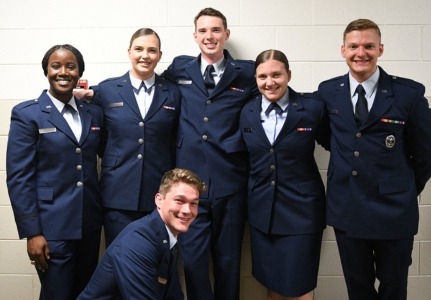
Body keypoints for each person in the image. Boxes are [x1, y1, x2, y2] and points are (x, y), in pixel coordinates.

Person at [317, 19, 431, 299]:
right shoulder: (327, 92)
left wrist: (404, 186)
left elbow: (428, 153)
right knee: (358, 289)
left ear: (380, 49)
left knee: (393, 289)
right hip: (347, 207)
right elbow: (328, 138)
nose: (361, 53)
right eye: (354, 46)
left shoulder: (408, 93)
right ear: (343, 50)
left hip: (394, 210)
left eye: (369, 46)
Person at [161, 7, 259, 300]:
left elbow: (271, 97)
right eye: (203, 31)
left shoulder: (247, 71)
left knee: (228, 262)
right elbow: (149, 87)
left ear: (226, 34)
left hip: (230, 178)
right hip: (188, 184)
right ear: (195, 36)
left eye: (216, 30)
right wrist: (95, 92)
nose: (210, 36)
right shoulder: (180, 68)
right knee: (192, 262)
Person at [6, 44, 103, 299]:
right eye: (56, 66)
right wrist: (32, 233)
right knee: (56, 295)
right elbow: (19, 177)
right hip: (51, 227)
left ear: (79, 72)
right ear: (46, 71)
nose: (63, 72)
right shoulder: (28, 114)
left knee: (85, 294)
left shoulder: (93, 112)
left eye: (70, 66)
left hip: (89, 226)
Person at [74, 28, 182, 247]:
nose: (145, 55)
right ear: (129, 52)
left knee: (158, 259)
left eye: (152, 50)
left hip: (159, 193)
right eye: (139, 49)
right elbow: (99, 136)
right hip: (117, 193)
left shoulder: (173, 92)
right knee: (120, 258)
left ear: (160, 56)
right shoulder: (107, 89)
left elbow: (175, 137)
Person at [240, 50, 329, 300]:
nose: (270, 82)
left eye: (277, 74)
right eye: (263, 76)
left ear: (288, 75)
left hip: (302, 213)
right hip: (262, 213)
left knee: (298, 286)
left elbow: (339, 148)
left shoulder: (312, 109)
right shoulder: (246, 112)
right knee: (273, 283)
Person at [77, 168, 206, 300]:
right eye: (179, 200)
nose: (187, 210)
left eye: (193, 204)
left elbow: (173, 295)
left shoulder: (165, 236)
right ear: (159, 200)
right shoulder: (139, 242)